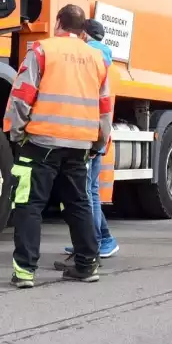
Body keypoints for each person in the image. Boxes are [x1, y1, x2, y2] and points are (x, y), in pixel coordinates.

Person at [4, 4, 113, 289]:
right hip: (79, 145)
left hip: (42, 141)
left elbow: (22, 95)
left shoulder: (42, 50)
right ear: (82, 29)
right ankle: (87, 265)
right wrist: (98, 142)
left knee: (29, 205)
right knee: (78, 204)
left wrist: (16, 133)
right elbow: (105, 108)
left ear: (58, 23)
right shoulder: (97, 58)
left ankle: (25, 271)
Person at [59, 18, 119, 265]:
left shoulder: (88, 57)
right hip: (97, 132)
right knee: (90, 190)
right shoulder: (103, 58)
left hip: (87, 133)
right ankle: (101, 239)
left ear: (83, 34)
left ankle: (91, 242)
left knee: (87, 193)